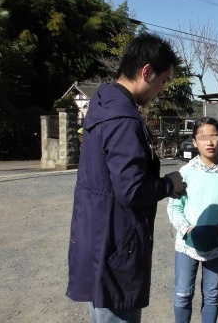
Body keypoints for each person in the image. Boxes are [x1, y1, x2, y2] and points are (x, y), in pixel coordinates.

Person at [66, 33, 185, 323]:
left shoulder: (102, 105)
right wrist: (170, 184)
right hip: (116, 247)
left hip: (98, 241)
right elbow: (131, 190)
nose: (162, 89)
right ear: (146, 71)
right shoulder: (123, 121)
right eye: (163, 80)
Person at [167, 117, 218, 323]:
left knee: (212, 294)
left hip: (217, 243)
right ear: (194, 142)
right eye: (203, 137)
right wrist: (187, 230)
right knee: (183, 294)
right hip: (187, 245)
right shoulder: (185, 172)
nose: (209, 142)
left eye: (214, 135)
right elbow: (174, 206)